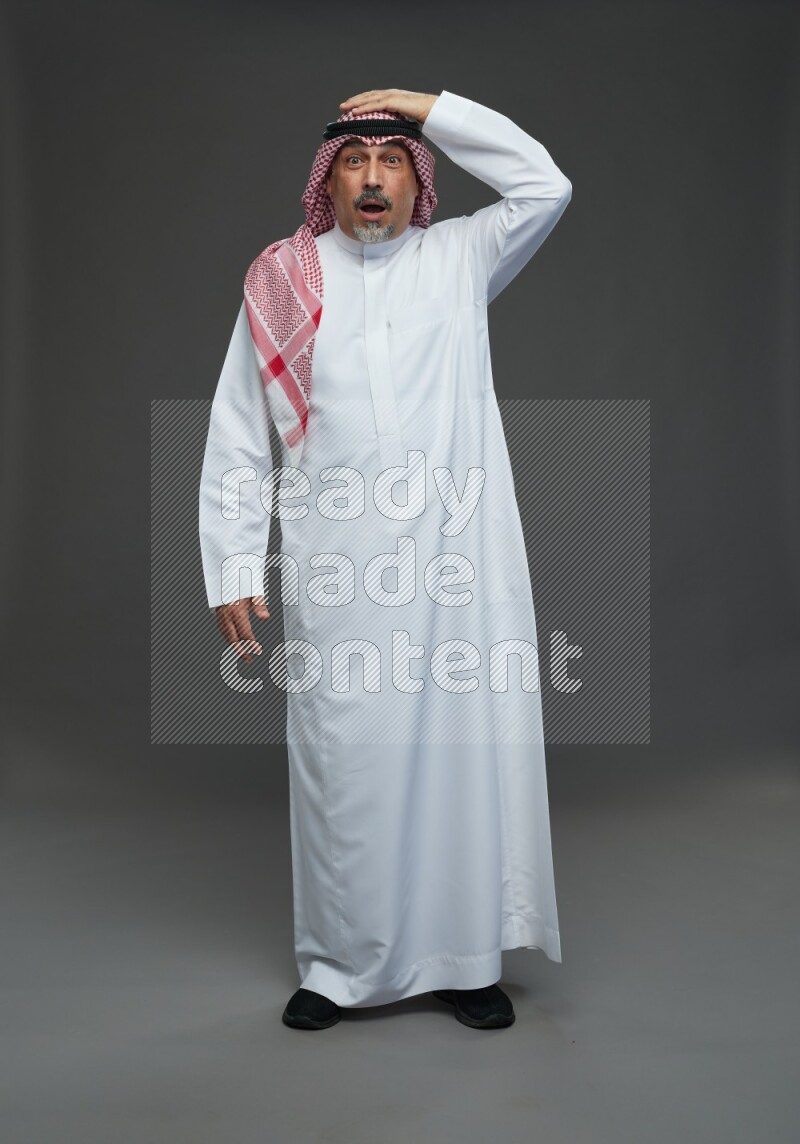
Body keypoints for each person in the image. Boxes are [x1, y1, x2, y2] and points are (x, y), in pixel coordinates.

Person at [198, 88, 572, 1031]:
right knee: (344, 765)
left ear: (419, 182)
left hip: (455, 567)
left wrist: (428, 106)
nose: (373, 179)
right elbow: (239, 429)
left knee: (457, 763)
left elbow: (545, 185)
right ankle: (336, 968)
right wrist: (234, 563)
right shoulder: (283, 280)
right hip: (339, 567)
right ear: (329, 182)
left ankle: (463, 960)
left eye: (394, 161)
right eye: (356, 162)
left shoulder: (459, 258)